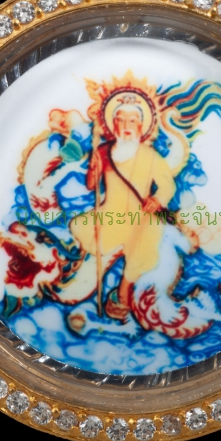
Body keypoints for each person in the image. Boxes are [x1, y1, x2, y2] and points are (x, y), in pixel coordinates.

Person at [70, 102, 175, 320]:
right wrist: (93, 166)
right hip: (112, 213)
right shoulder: (103, 151)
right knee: (79, 225)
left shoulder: (150, 156)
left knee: (146, 238)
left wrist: (157, 200)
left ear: (141, 126)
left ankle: (125, 286)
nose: (126, 126)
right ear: (114, 125)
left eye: (132, 121)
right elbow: (91, 185)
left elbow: (167, 185)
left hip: (141, 215)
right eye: (121, 120)